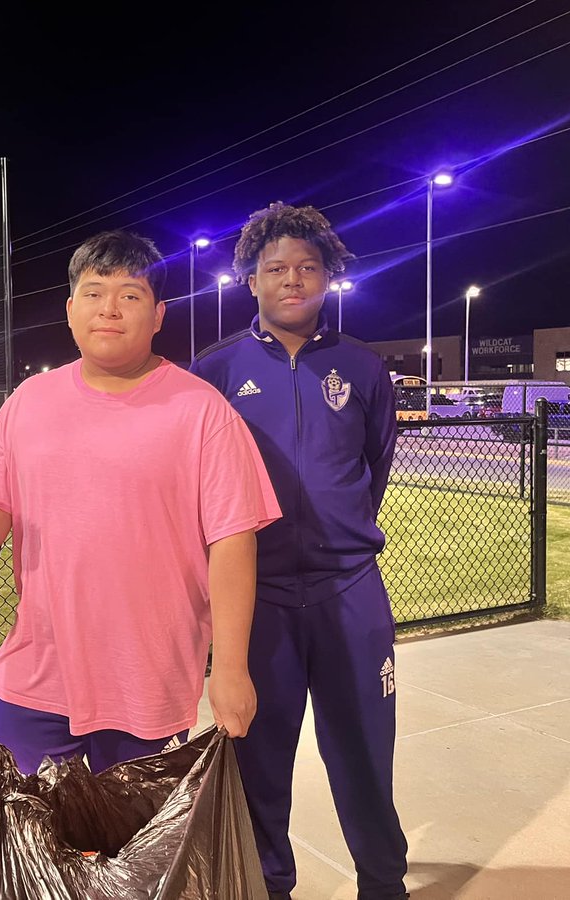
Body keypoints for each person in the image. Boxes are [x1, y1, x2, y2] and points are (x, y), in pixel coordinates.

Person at [0, 229, 280, 783]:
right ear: (70, 308)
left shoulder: (202, 411)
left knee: (126, 849)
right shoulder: (29, 403)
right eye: (93, 292)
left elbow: (231, 542)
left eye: (129, 296)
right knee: (19, 822)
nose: (109, 309)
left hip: (147, 673)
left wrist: (230, 668)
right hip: (41, 662)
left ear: (159, 314)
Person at [190, 203, 409, 900]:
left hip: (350, 590)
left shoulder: (363, 368)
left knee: (366, 752)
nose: (293, 279)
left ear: (329, 277)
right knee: (257, 758)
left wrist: (341, 535)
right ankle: (267, 887)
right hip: (260, 598)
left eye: (307, 268)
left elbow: (374, 467)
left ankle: (382, 882)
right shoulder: (215, 370)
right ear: (250, 281)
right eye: (276, 269)